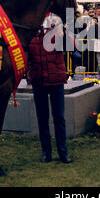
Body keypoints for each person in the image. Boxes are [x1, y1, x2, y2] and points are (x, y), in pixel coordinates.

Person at [28, 15, 72, 164]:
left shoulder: (57, 31)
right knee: (42, 119)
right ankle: (46, 152)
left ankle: (63, 152)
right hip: (38, 80)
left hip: (56, 79)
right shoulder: (30, 33)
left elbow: (69, 47)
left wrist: (64, 34)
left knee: (59, 117)